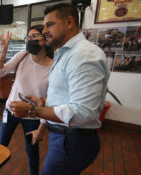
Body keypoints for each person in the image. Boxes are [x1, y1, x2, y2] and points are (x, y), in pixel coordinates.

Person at [9, 3, 110, 175]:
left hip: (73, 140)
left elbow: (83, 112)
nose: (45, 30)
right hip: (63, 137)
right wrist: (44, 102)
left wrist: (34, 110)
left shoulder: (83, 55)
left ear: (69, 22)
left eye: (49, 24)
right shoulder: (64, 53)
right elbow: (66, 96)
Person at [0, 25, 53, 175]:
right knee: (1, 144)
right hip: (11, 110)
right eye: (28, 37)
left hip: (33, 115)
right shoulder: (23, 56)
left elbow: (52, 99)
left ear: (45, 39)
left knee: (32, 150)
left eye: (34, 36)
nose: (30, 40)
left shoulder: (53, 67)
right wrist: (3, 53)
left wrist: (42, 126)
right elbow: (0, 72)